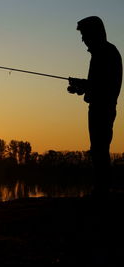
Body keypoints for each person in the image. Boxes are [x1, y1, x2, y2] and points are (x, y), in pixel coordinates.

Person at [68, 16, 122, 197]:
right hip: (100, 106)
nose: (83, 40)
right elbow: (97, 84)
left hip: (103, 108)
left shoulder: (106, 53)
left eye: (84, 35)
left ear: (94, 34)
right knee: (98, 148)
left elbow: (104, 86)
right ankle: (101, 189)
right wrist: (81, 86)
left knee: (99, 149)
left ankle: (102, 191)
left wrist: (84, 86)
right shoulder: (102, 53)